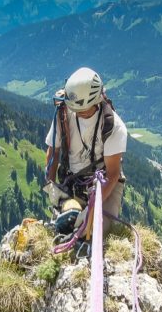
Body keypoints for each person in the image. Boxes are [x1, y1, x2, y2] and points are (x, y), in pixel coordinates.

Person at [45, 67, 127, 235]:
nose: (77, 113)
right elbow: (53, 153)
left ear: (96, 101)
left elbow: (112, 174)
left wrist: (91, 209)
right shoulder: (64, 113)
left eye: (82, 110)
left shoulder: (113, 127)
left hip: (104, 181)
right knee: (65, 229)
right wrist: (51, 185)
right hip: (72, 180)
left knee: (99, 231)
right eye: (74, 109)